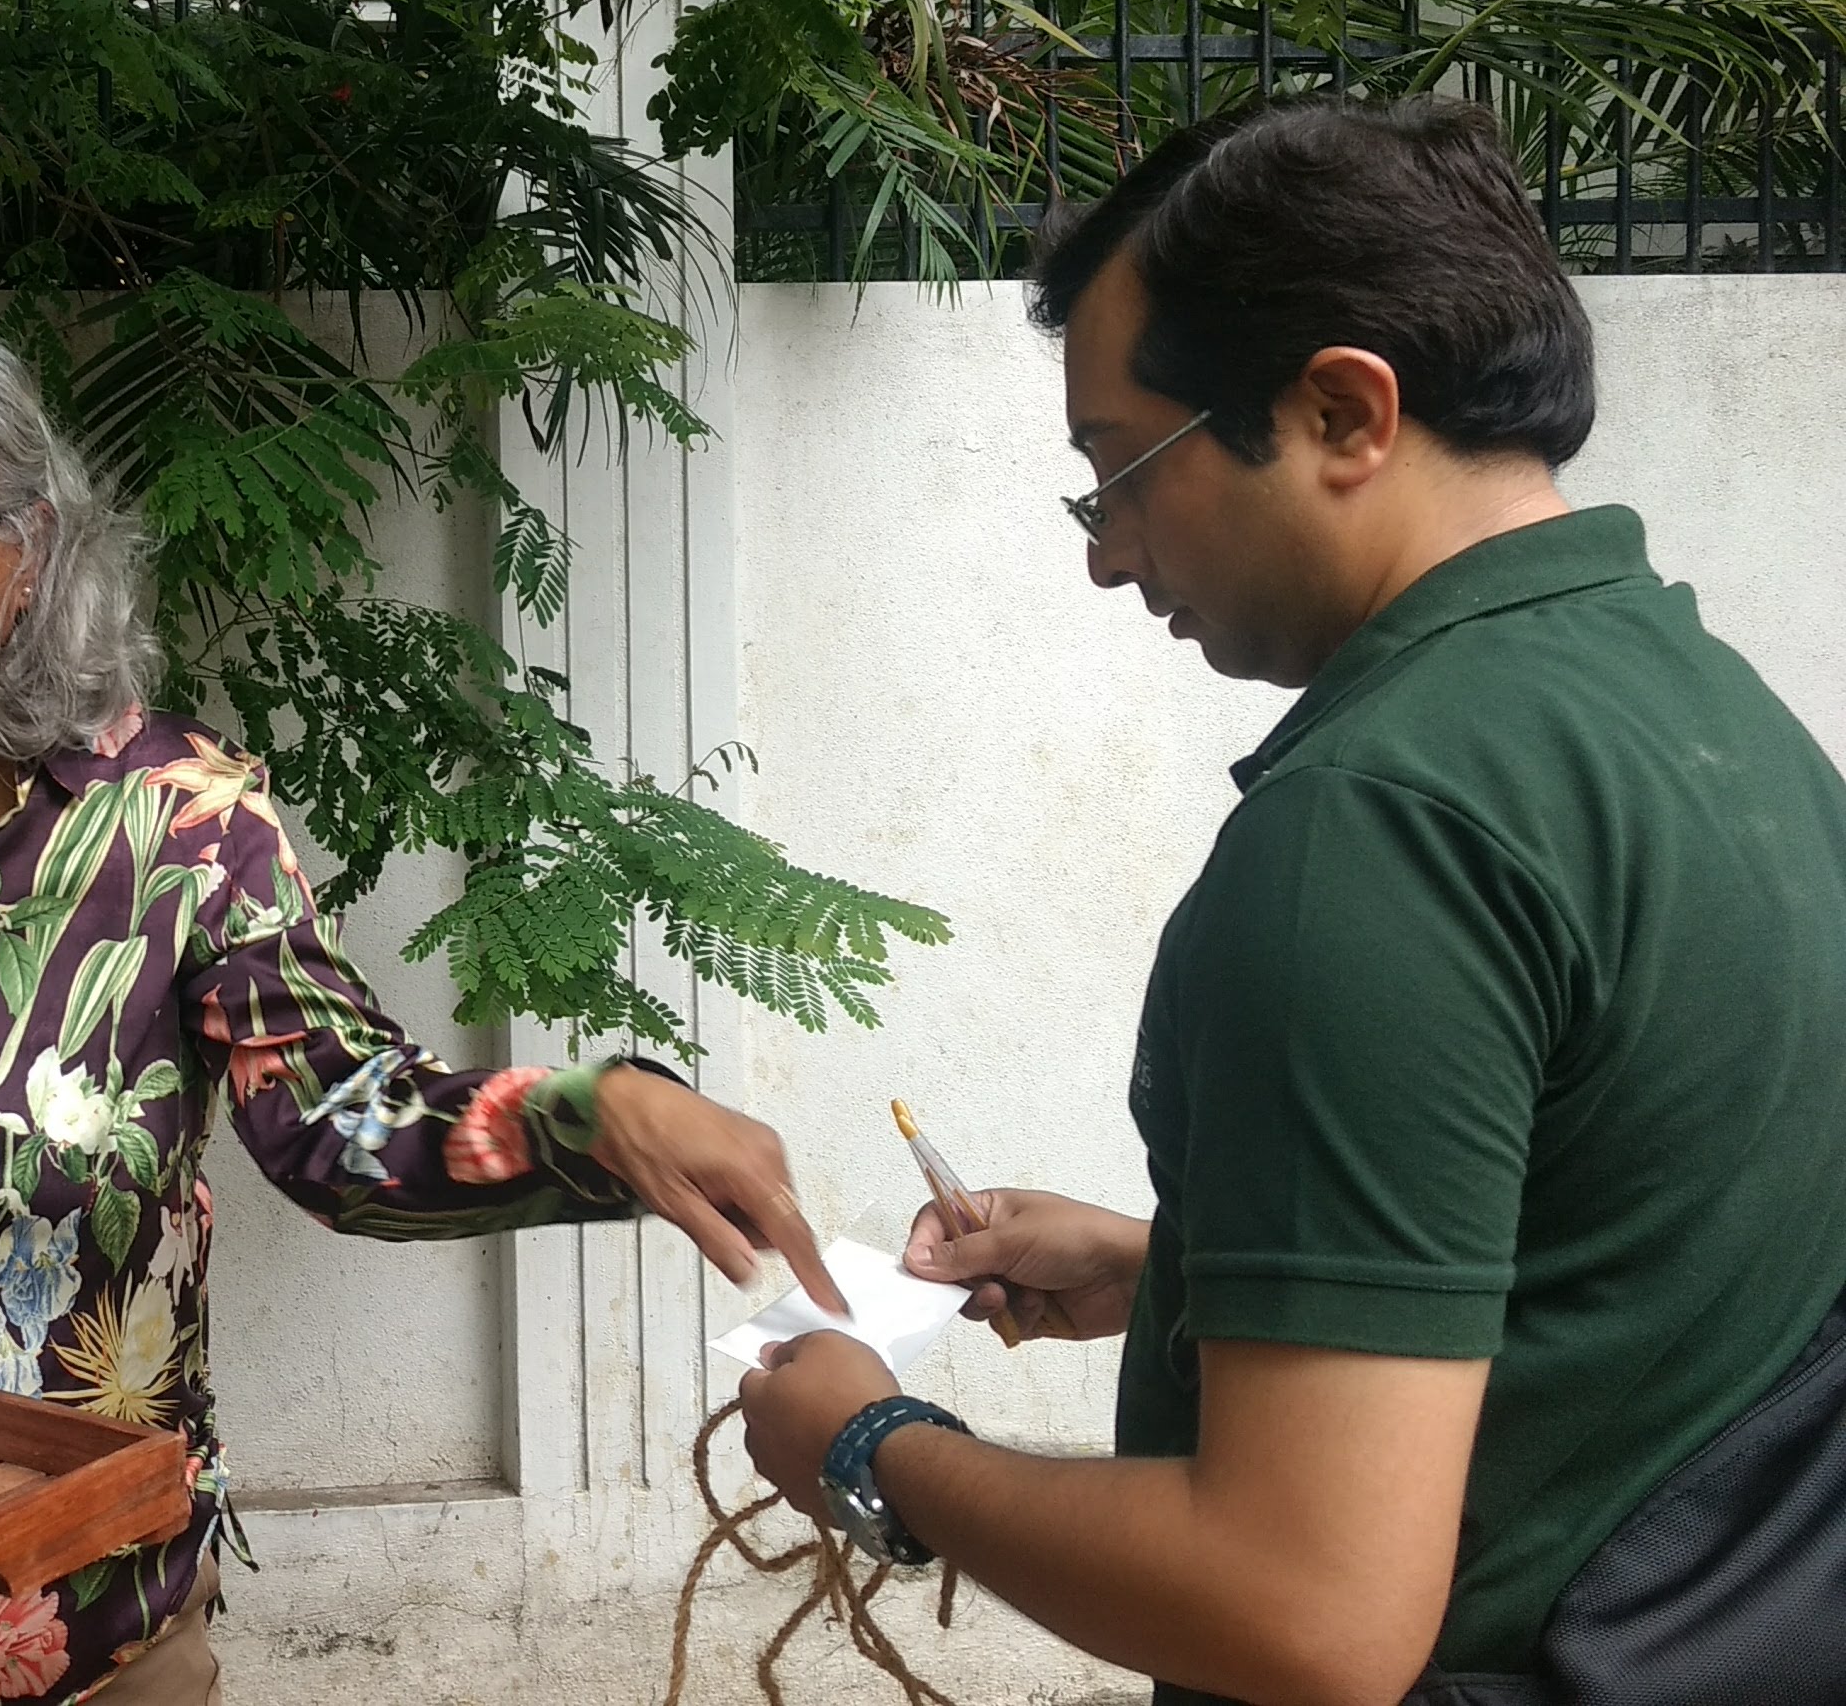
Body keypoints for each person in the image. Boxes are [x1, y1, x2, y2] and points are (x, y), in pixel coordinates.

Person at [0, 316, 848, 1706]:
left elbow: (342, 1126)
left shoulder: (182, 821)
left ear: (28, 553)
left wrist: (593, 1113)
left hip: (73, 1618)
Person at [733, 93, 1846, 1705]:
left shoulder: (1375, 832)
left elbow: (1305, 1612)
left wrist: (872, 1444)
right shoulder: (1713, 716)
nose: (1107, 554)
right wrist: (1183, 1270)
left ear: (1342, 412)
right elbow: (1637, 1263)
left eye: (1120, 470)